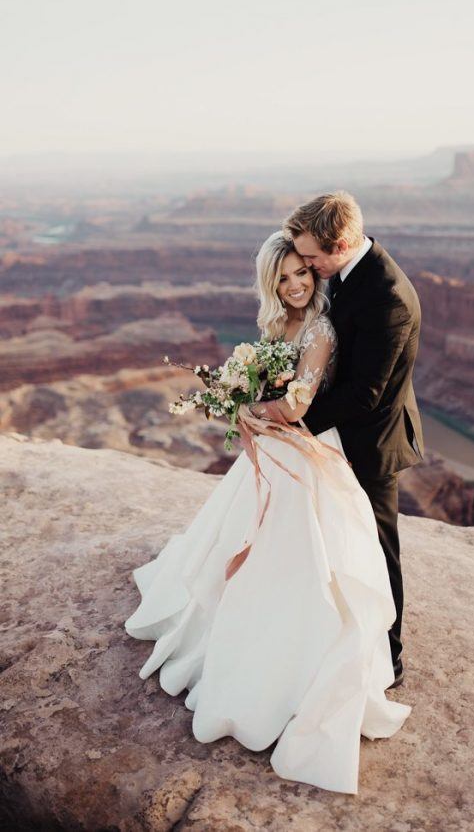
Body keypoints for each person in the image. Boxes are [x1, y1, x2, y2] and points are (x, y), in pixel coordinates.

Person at [124, 230, 412, 795]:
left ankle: (294, 657)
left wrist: (250, 410)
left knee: (300, 555)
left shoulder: (322, 329)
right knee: (238, 540)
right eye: (284, 278)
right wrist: (242, 405)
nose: (297, 284)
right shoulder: (275, 326)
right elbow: (270, 385)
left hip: (305, 447)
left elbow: (300, 401)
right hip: (277, 442)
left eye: (302, 273)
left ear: (314, 271)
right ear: (271, 285)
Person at [285, 191, 424, 688]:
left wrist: (287, 417)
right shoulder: (345, 272)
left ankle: (390, 660)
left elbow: (364, 395)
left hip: (373, 443)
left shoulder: (386, 296)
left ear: (341, 243)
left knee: (379, 549)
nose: (308, 266)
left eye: (314, 258)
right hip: (338, 434)